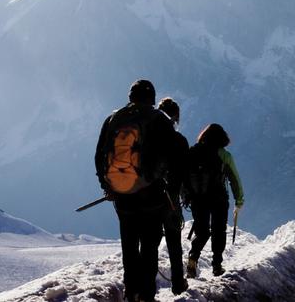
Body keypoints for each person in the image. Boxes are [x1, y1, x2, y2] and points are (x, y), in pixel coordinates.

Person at [94, 79, 174, 302]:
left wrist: (108, 185)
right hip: (152, 195)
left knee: (129, 245)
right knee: (149, 246)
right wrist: (154, 177)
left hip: (121, 195)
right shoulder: (159, 119)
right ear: (152, 98)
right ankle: (146, 295)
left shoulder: (113, 119)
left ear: (130, 96)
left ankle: (131, 291)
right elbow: (173, 155)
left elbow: (100, 155)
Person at [184, 123, 244, 278]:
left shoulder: (192, 152)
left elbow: (183, 176)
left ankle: (193, 258)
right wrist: (239, 200)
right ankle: (217, 265)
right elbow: (234, 179)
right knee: (219, 231)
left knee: (202, 231)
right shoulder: (224, 155)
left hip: (198, 199)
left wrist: (186, 196)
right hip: (219, 198)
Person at [156, 97, 190, 295]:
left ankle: (144, 292)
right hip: (170, 197)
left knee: (148, 243)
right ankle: (178, 282)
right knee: (173, 242)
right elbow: (185, 172)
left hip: (145, 196)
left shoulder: (145, 138)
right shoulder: (179, 141)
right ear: (175, 117)